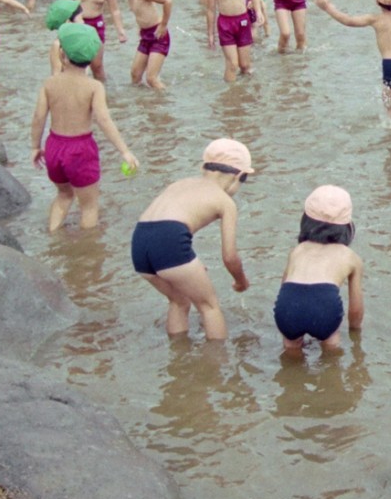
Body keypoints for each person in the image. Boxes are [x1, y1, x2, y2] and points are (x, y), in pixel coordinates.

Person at [132, 140, 255, 343]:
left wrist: (189, 264)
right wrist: (241, 281)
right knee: (209, 306)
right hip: (169, 241)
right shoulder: (225, 202)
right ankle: (214, 367)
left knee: (179, 301)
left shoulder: (179, 184)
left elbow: (168, 224)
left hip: (139, 241)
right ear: (239, 175)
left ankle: (178, 355)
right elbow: (230, 257)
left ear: (203, 167)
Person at [31, 22, 137, 232]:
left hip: (54, 146)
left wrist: (35, 146)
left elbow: (38, 117)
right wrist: (125, 151)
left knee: (63, 195)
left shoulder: (49, 83)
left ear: (62, 55)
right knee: (89, 206)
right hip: (80, 150)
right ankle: (87, 253)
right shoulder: (94, 87)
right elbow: (104, 120)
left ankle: (54, 238)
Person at [274, 185, 365, 354]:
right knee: (331, 348)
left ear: (305, 221)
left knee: (290, 349)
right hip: (324, 307)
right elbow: (356, 309)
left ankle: (290, 373)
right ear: (347, 227)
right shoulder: (350, 256)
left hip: (289, 306)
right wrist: (355, 335)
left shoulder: (297, 250)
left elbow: (283, 288)